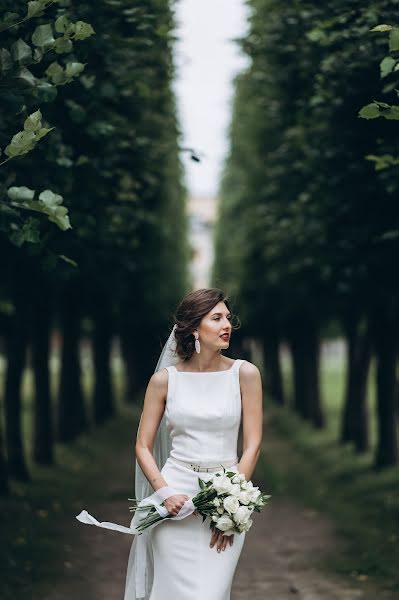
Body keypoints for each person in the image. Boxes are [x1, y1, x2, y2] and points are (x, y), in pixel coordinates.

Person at [129, 287, 263, 600]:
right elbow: (142, 446)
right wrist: (164, 492)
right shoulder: (164, 380)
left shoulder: (245, 374)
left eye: (228, 318)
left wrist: (233, 502)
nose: (227, 324)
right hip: (175, 498)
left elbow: (253, 443)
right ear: (194, 328)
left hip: (226, 495)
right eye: (216, 318)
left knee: (211, 594)